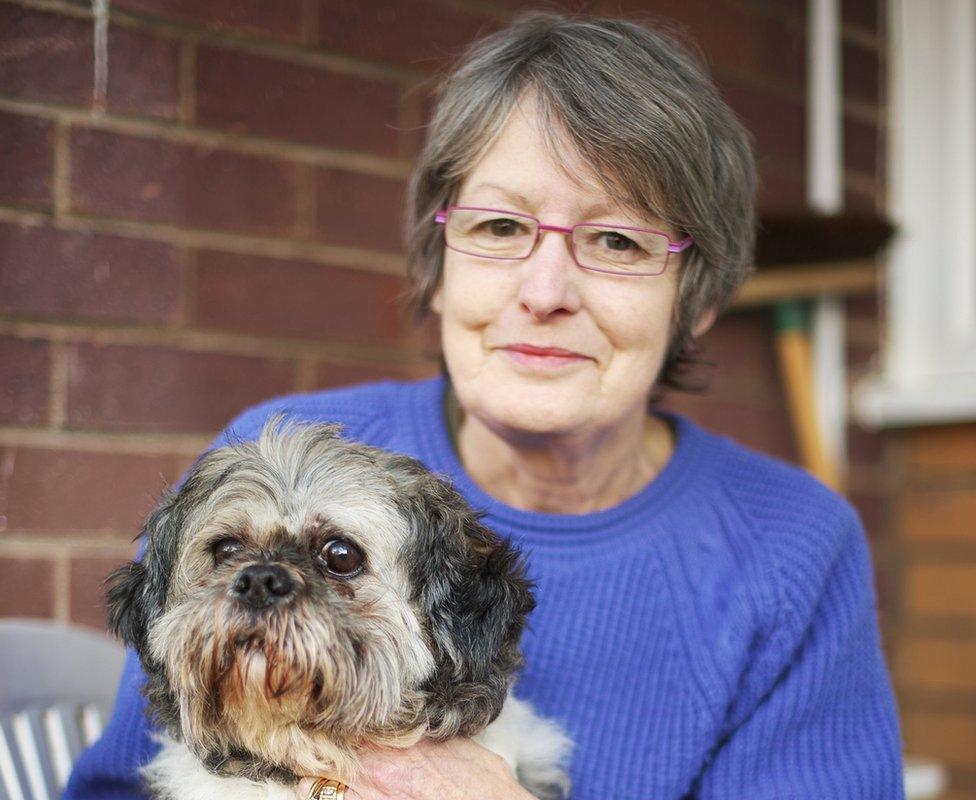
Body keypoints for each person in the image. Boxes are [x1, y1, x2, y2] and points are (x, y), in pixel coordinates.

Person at [65, 12, 906, 800]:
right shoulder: (271, 456)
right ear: (439, 259)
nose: (545, 292)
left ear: (697, 296)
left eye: (617, 240)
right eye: (501, 227)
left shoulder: (794, 551)